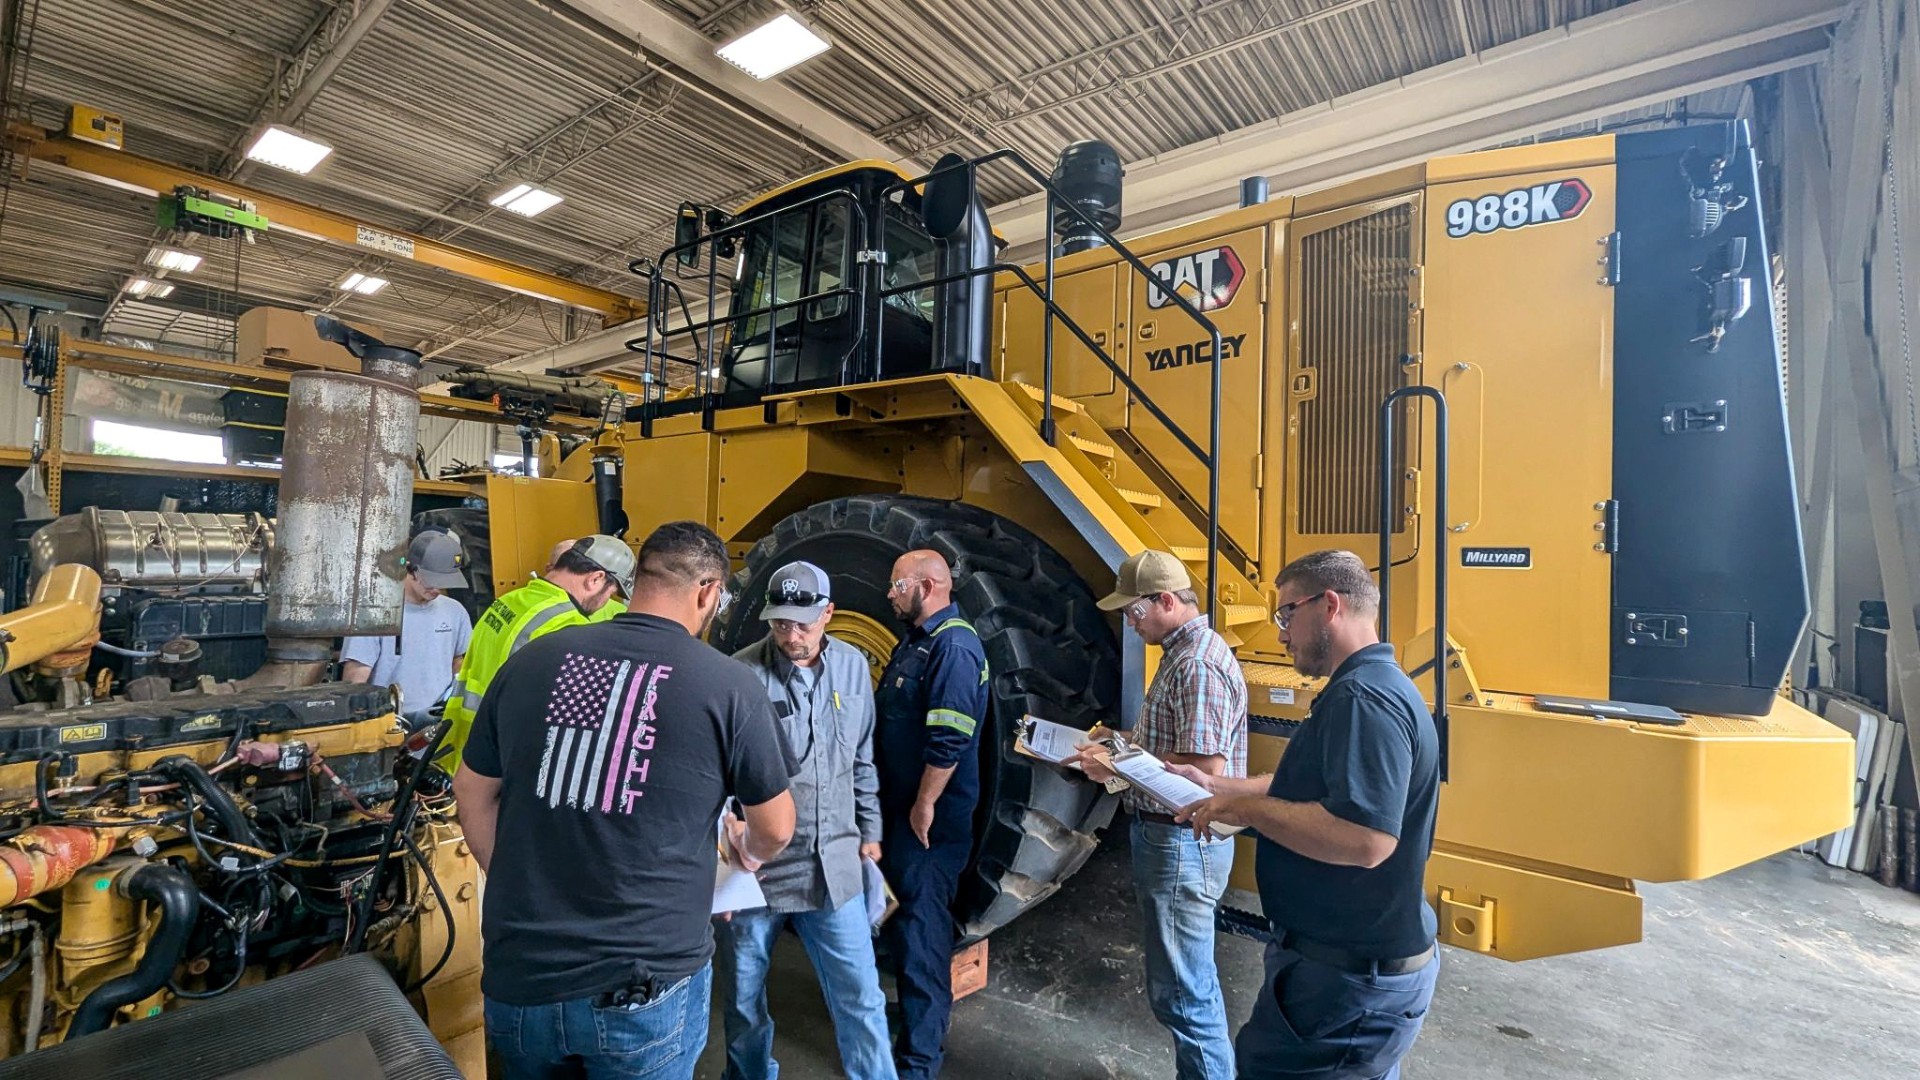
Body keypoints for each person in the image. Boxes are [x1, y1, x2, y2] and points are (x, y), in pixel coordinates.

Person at [453, 520, 797, 1080]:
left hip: (523, 978)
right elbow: (777, 826)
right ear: (709, 592)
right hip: (642, 987)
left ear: (638, 580)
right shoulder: (728, 685)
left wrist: (517, 879)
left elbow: (470, 790)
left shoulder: (535, 660)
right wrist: (747, 856)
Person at [1177, 549, 1440, 1080]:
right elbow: (1319, 786)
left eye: (1286, 614)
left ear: (1330, 605)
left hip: (1345, 986)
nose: (1281, 635)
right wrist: (1219, 786)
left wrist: (1248, 809)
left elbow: (1368, 839)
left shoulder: (1363, 699)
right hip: (1350, 974)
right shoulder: (1371, 685)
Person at [1066, 549, 1246, 1079]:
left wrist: (1113, 767)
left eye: (1134, 610)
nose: (1129, 621)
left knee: (1185, 997)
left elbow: (1201, 773)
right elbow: (1172, 745)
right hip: (1176, 843)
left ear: (1166, 600)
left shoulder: (1196, 665)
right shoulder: (1183, 652)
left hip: (1180, 842)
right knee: (1185, 988)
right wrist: (1118, 741)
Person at [720, 561, 895, 1080]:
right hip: (755, 872)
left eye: (803, 623)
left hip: (832, 864)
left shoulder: (853, 667)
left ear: (828, 614)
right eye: (780, 623)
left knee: (861, 998)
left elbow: (861, 757)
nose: (792, 636)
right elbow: (716, 778)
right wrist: (724, 851)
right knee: (744, 1003)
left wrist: (870, 831)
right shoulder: (740, 676)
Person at [873, 550, 988, 1080]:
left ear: (928, 585)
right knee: (904, 929)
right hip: (901, 814)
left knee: (922, 934)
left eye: (897, 585)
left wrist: (924, 805)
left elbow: (949, 739)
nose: (889, 594)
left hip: (927, 826)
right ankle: (913, 1029)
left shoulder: (954, 648)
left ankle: (919, 1062)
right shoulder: (919, 640)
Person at [442, 533, 636, 770]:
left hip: (463, 745)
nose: (607, 601)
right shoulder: (570, 626)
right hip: (502, 758)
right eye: (611, 592)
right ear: (595, 579)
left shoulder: (509, 600)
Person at [340, 529, 474, 726]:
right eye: (432, 580)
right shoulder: (374, 614)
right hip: (388, 725)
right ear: (409, 568)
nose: (437, 589)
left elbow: (458, 660)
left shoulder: (455, 612)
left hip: (437, 723)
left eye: (444, 582)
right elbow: (355, 680)